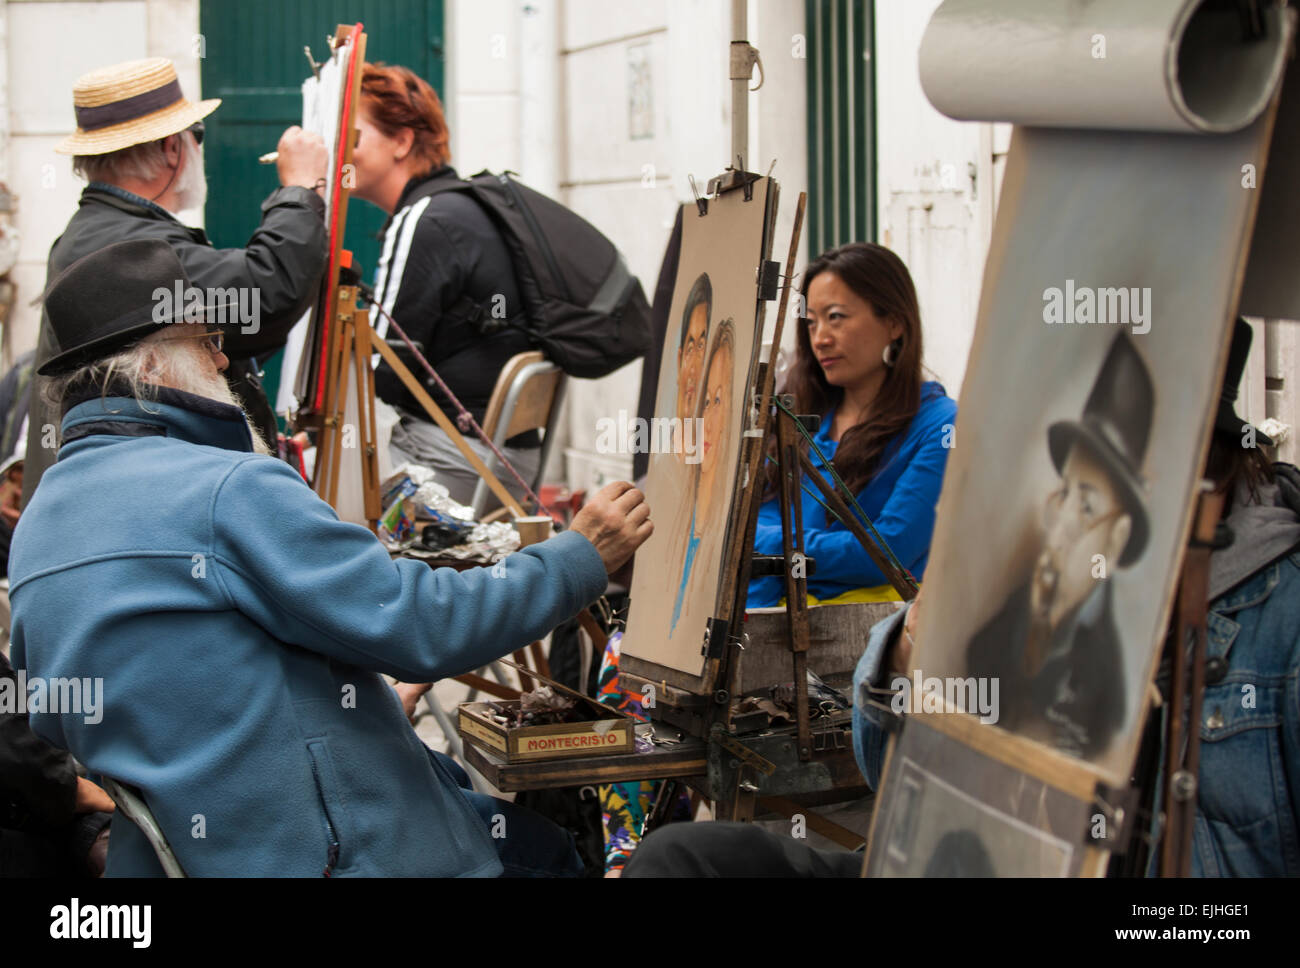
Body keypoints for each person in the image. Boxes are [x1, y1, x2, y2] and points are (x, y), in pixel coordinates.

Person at [11, 239, 653, 877]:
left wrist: (335, 713)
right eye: (205, 338)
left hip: (184, 857)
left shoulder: (38, 526)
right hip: (334, 856)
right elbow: (420, 624)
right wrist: (578, 556)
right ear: (151, 365)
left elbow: (77, 711)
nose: (222, 355)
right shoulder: (224, 488)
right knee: (553, 855)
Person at [625, 318, 1300, 877]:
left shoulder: (1275, 614)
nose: (1059, 508)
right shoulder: (1049, 576)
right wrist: (906, 654)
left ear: (1200, 473)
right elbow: (894, 769)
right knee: (688, 858)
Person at [23, 57, 327, 507]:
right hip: (119, 516)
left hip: (105, 505)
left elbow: (236, 324)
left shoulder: (105, 231)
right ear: (172, 147)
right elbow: (264, 296)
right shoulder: (121, 246)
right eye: (195, 136)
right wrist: (302, 190)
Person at [350, 62, 540, 507]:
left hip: (458, 464)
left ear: (402, 140)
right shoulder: (461, 208)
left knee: (296, 479)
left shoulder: (426, 218)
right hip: (502, 462)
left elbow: (381, 369)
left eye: (354, 136)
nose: (339, 151)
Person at [964, 331, 1152, 761]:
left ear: (1117, 538)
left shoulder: (1112, 681)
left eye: (1085, 505)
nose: (1062, 527)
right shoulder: (1019, 613)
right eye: (1064, 493)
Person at [747, 242, 957, 608]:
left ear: (894, 323)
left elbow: (885, 552)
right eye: (811, 322)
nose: (820, 338)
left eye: (837, 317)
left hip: (865, 641)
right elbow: (756, 516)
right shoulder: (803, 414)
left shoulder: (940, 426)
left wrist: (771, 544)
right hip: (761, 621)